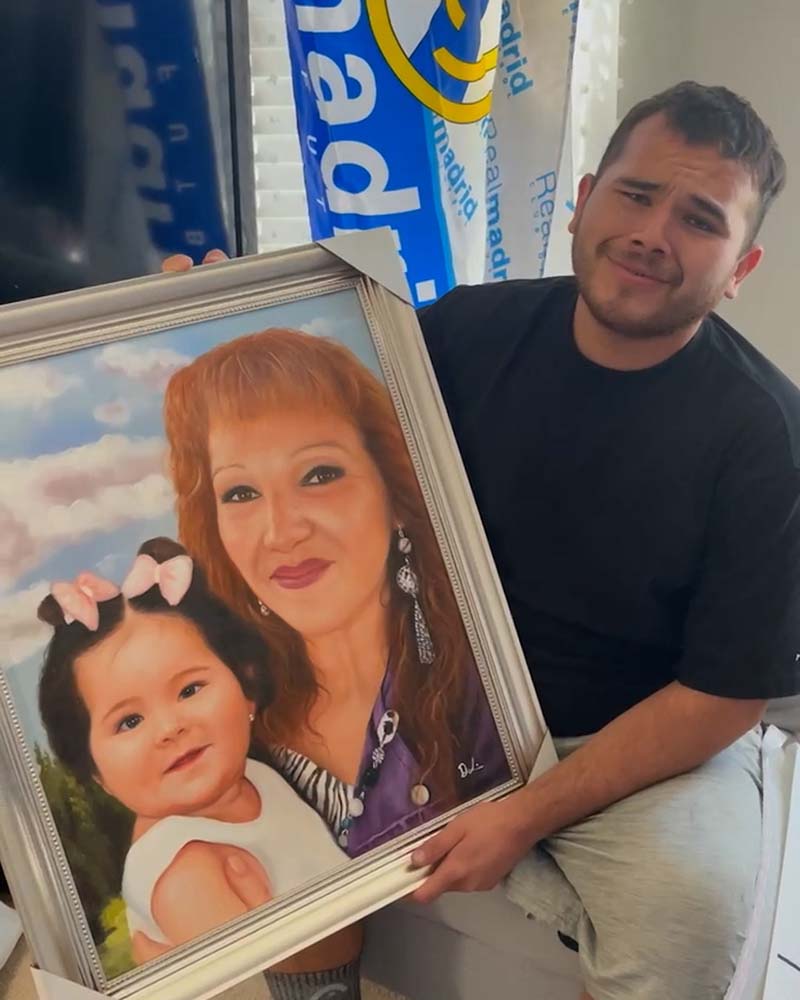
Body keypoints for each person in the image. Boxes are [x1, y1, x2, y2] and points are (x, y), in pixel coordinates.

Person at [168, 80, 800, 1000]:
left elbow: (721, 700)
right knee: (271, 792)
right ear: (584, 202)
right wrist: (204, 321)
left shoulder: (769, 438)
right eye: (635, 194)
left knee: (687, 915)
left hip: (635, 736)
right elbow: (313, 399)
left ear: (740, 268)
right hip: (436, 691)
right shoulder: (468, 328)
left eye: (700, 220)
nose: (654, 234)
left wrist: (525, 814)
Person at [158, 326, 510, 997]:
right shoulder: (233, 725)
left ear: (394, 488)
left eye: (319, 475)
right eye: (239, 494)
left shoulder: (483, 673)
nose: (281, 530)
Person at [37, 537, 346, 960]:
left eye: (189, 689)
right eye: (129, 721)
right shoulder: (184, 872)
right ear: (94, 771)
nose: (170, 728)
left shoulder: (253, 776)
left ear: (246, 687)